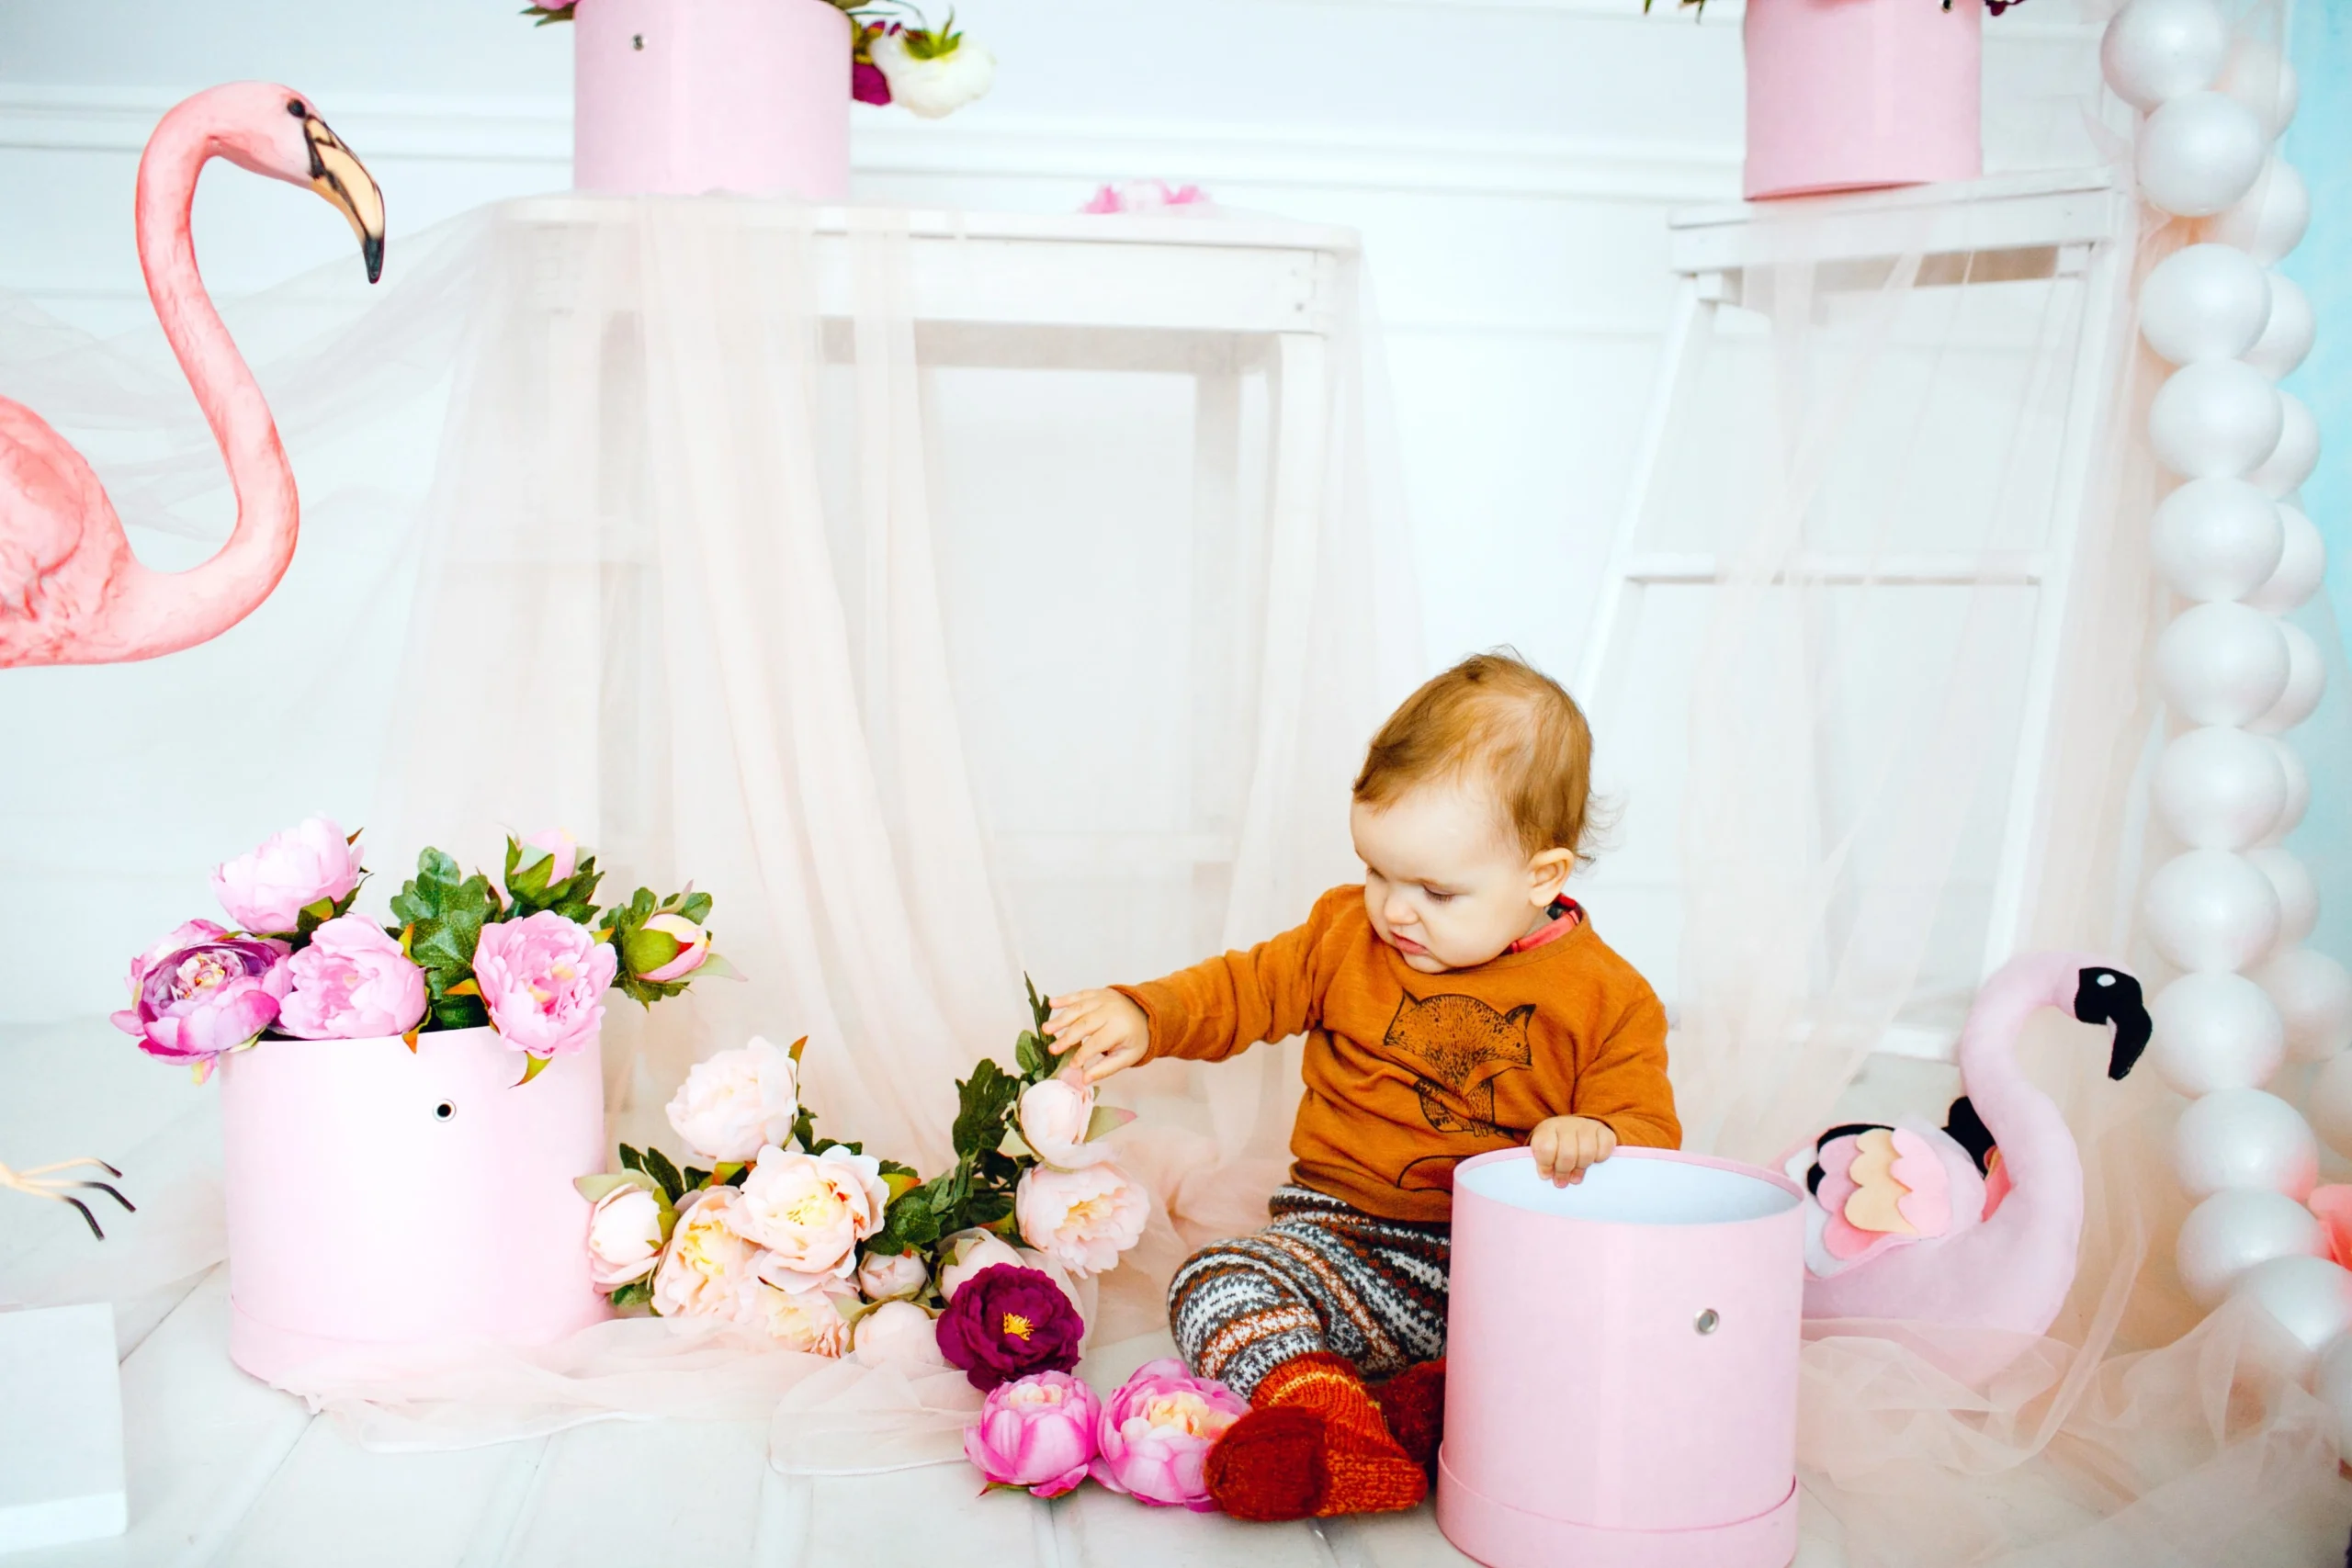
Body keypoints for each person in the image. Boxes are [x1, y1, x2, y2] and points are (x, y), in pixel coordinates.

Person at [1047, 649, 1679, 1522]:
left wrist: (1598, 1135)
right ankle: (1343, 1421)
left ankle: (1432, 1405)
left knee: (1592, 1359)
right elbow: (1242, 988)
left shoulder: (1608, 997)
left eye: (1436, 890)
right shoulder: (1345, 934)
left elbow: (1647, 1130)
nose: (1395, 909)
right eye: (1377, 870)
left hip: (1493, 1269)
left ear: (1544, 875)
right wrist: (1145, 1013)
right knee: (1212, 1281)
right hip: (1332, 1240)